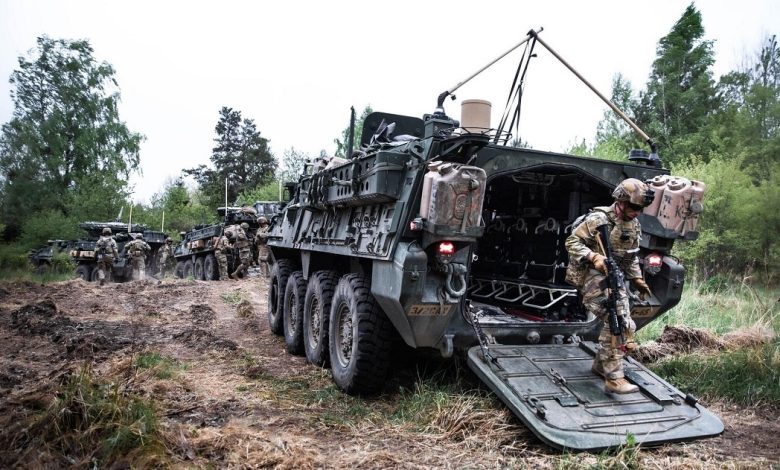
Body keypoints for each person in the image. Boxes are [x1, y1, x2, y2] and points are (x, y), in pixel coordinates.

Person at [565, 178, 654, 394]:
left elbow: (630, 256)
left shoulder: (633, 224)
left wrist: (637, 278)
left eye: (641, 208)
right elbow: (571, 242)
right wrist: (593, 256)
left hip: (614, 275)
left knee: (625, 322)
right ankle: (614, 378)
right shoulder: (599, 219)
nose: (637, 212)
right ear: (621, 202)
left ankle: (599, 366)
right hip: (591, 274)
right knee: (617, 322)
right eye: (634, 207)